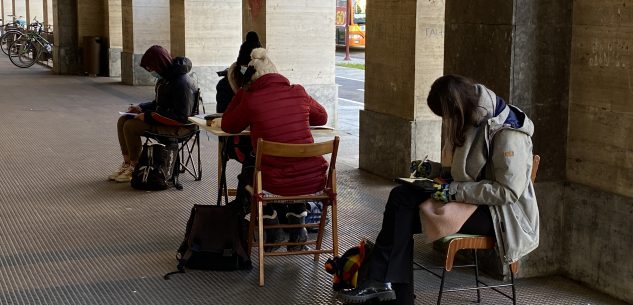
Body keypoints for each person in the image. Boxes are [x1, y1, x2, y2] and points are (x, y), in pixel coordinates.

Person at [338, 74, 540, 304]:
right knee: (401, 200)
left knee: (401, 208)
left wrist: (453, 191)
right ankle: (384, 285)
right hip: (471, 201)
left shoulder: (507, 132)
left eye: (446, 116)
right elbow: (466, 172)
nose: (447, 122)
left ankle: (388, 288)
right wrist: (431, 170)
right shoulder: (474, 118)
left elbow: (507, 193)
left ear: (456, 108)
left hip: (499, 216)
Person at [221, 47, 329, 252]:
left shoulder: (251, 99)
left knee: (248, 175)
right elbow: (321, 117)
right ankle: (298, 225)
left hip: (273, 182)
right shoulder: (298, 91)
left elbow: (228, 125)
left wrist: (242, 91)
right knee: (289, 168)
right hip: (312, 179)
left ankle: (272, 223)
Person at [109, 45, 197, 183]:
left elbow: (182, 118)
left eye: (151, 68)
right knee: (123, 120)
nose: (151, 72)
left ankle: (135, 167)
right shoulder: (165, 78)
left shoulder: (181, 82)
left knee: (131, 126)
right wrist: (140, 108)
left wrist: (149, 116)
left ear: (159, 64)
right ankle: (127, 164)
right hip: (165, 119)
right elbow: (158, 104)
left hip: (180, 127)